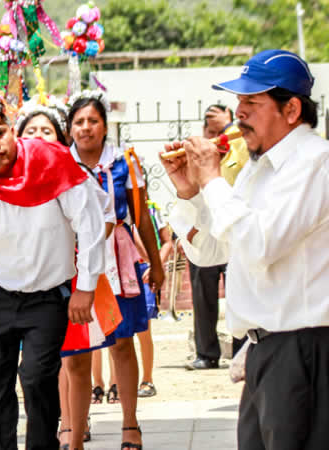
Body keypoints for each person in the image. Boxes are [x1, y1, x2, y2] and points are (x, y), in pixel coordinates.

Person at [163, 49, 329, 450]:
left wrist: (213, 181)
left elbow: (259, 245)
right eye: (239, 102)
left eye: (252, 103)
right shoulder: (260, 167)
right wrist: (192, 193)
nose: (239, 113)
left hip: (301, 350)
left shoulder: (313, 163)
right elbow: (212, 251)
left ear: (291, 110)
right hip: (265, 350)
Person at [0, 97, 106, 450]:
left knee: (36, 379)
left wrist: (86, 286)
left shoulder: (52, 159)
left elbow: (91, 223)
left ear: (12, 129)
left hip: (48, 297)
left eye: (0, 133)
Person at [14, 98, 116, 450]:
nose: (39, 136)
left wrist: (81, 249)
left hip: (72, 279)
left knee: (75, 362)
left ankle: (74, 437)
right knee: (40, 365)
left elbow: (105, 217)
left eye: (47, 130)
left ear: (59, 138)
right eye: (31, 131)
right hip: (29, 284)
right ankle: (54, 427)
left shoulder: (78, 176)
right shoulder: (9, 180)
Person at [67, 90, 165, 450]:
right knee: (75, 349)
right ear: (69, 129)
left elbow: (140, 216)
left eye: (93, 121)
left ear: (105, 126)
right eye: (78, 122)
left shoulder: (125, 162)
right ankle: (74, 425)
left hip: (115, 259)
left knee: (122, 342)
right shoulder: (63, 163)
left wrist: (155, 264)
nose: (86, 128)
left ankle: (130, 424)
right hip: (73, 262)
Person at [184, 105, 250, 370]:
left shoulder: (239, 140)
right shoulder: (200, 148)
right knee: (202, 294)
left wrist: (225, 132)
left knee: (240, 292)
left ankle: (242, 350)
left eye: (216, 114)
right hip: (207, 228)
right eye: (207, 118)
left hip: (234, 227)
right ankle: (206, 352)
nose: (211, 119)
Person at [134, 203, 173, 397]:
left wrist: (154, 263)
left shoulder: (152, 210)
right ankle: (113, 383)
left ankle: (147, 379)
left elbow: (167, 242)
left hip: (144, 271)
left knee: (144, 329)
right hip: (121, 270)